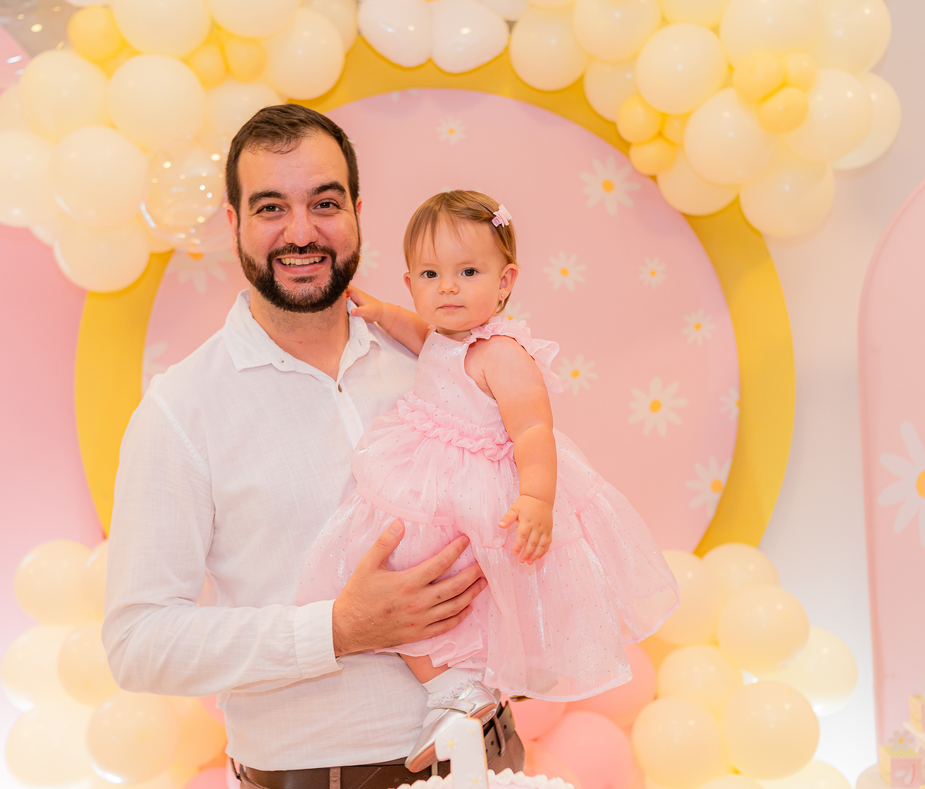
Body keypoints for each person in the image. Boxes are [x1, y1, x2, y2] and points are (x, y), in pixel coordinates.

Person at [102, 105, 524, 789]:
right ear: (234, 223)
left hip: (491, 756)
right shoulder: (181, 409)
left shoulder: (435, 355)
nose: (301, 232)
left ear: (356, 212)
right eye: (271, 207)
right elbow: (139, 644)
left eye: (324, 203)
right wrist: (336, 629)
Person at [296, 190, 681, 770]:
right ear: (411, 283)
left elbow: (533, 430)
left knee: (457, 585)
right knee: (395, 578)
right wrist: (380, 312)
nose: (447, 288)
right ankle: (452, 689)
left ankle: (462, 687)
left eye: (468, 272)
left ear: (505, 282)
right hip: (428, 474)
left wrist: (537, 498)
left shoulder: (501, 352)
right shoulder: (443, 336)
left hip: (476, 488)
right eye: (431, 275)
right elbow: (419, 337)